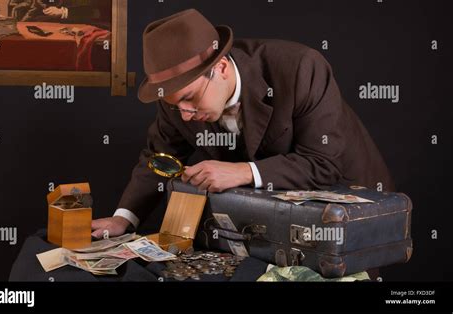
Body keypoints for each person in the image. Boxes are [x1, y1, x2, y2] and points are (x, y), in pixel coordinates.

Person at [91, 9, 395, 240]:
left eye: (189, 98)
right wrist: (124, 219)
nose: (183, 114)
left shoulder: (301, 68)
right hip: (268, 219)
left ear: (220, 67)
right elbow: (157, 158)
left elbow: (323, 163)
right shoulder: (175, 100)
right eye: (174, 104)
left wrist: (241, 171)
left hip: (349, 206)